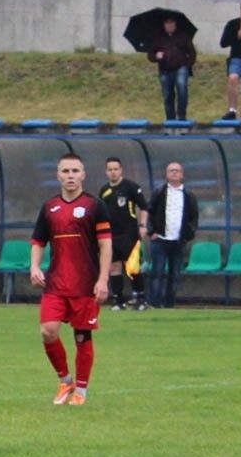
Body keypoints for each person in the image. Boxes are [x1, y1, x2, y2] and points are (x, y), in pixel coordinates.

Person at [28, 153, 111, 407]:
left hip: (85, 284)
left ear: (84, 175)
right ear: (58, 175)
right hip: (55, 283)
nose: (70, 176)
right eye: (65, 171)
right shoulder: (49, 207)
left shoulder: (94, 206)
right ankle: (65, 380)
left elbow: (105, 244)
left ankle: (81, 391)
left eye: (75, 171)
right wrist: (34, 266)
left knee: (82, 337)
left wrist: (103, 279)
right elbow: (38, 241)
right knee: (47, 331)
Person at [145, 161, 199, 309]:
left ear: (182, 174)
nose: (174, 173)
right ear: (166, 174)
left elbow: (194, 217)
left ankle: (169, 304)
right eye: (171, 171)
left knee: (175, 275)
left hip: (178, 241)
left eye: (177, 171)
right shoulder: (159, 192)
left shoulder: (188, 195)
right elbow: (149, 211)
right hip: (160, 240)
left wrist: (188, 235)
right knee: (157, 273)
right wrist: (151, 231)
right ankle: (154, 303)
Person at [97, 157, 149, 311]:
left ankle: (140, 298)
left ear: (121, 170)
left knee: (132, 266)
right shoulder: (104, 190)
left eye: (116, 169)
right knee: (114, 266)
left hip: (129, 233)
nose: (113, 172)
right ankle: (118, 300)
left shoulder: (131, 187)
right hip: (111, 234)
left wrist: (143, 225)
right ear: (106, 172)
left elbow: (144, 207)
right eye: (110, 169)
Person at [147, 16, 197, 121]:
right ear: (164, 25)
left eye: (172, 22)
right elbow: (150, 55)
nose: (169, 25)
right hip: (164, 70)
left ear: (175, 24)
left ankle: (182, 116)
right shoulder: (158, 37)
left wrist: (187, 65)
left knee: (182, 88)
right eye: (167, 22)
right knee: (167, 96)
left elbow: (192, 53)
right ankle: (170, 120)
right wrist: (156, 55)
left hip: (181, 68)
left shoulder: (183, 36)